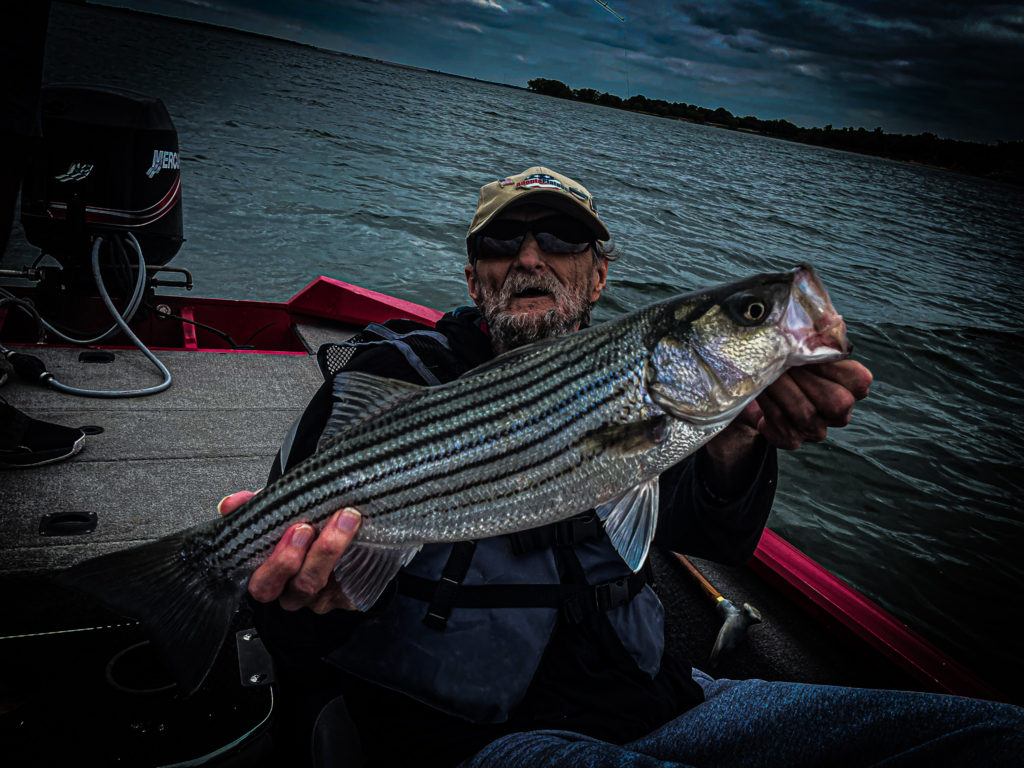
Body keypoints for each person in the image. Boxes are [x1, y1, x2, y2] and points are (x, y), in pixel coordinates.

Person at [220, 166, 1022, 766]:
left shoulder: (646, 396)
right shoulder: (386, 379)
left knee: (994, 735)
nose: (530, 256)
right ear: (472, 277)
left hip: (667, 704)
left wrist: (742, 434)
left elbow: (704, 530)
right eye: (502, 242)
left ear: (599, 274)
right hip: (474, 742)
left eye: (562, 238)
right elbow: (292, 623)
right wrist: (294, 600)